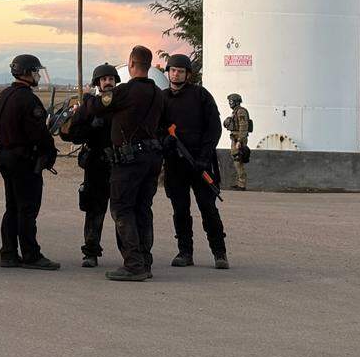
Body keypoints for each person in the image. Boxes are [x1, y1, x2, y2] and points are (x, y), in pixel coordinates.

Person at [92, 45, 165, 282]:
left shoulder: (125, 91)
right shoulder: (157, 93)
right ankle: (145, 261)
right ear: (150, 64)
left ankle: (133, 264)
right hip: (152, 158)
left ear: (131, 64)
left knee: (122, 208)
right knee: (143, 209)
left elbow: (99, 105)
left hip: (129, 160)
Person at [0, 54, 60, 270]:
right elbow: (38, 133)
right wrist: (50, 152)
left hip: (5, 157)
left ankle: (8, 253)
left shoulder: (1, 96)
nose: (38, 75)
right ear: (28, 73)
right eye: (36, 71)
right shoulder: (28, 99)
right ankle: (30, 254)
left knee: (11, 207)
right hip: (24, 160)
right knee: (27, 208)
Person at [162, 54, 228, 269]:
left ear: (188, 74)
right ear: (168, 72)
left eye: (180, 71)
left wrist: (203, 157)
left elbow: (214, 128)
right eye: (173, 70)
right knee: (180, 210)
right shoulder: (162, 98)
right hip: (175, 166)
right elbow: (155, 128)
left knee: (208, 209)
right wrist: (166, 143)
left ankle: (219, 253)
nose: (176, 74)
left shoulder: (200, 95)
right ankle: (185, 252)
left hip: (200, 164)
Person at [59, 62, 118, 267]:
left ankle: (131, 254)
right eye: (104, 79)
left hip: (120, 164)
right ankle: (91, 252)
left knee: (122, 211)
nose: (107, 82)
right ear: (98, 83)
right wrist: (88, 127)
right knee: (94, 210)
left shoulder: (121, 102)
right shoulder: (90, 105)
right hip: (96, 164)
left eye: (110, 79)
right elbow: (69, 134)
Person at [224, 93, 251, 190]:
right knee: (236, 160)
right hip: (234, 138)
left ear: (236, 102)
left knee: (238, 160)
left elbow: (243, 127)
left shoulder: (240, 112)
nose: (230, 103)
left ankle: (242, 184)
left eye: (231, 101)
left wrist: (240, 141)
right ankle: (240, 183)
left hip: (239, 138)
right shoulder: (235, 111)